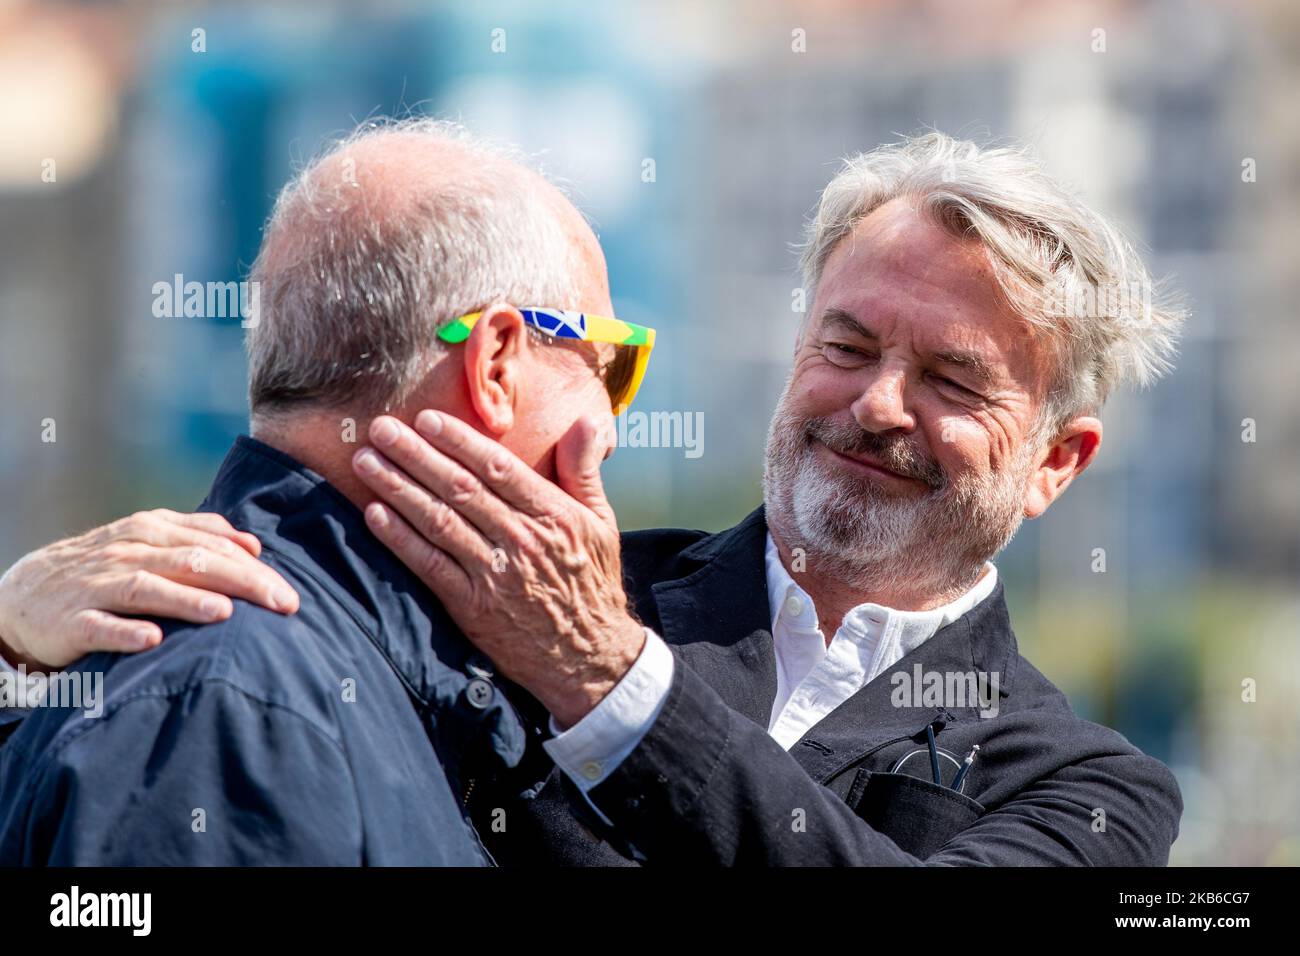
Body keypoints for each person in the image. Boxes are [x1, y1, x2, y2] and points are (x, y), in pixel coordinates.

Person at [2, 131, 1184, 866]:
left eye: (949, 378)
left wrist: (613, 684)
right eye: (845, 342)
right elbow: (168, 743)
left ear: (1055, 461)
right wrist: (13, 652)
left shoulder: (1090, 788)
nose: (876, 403)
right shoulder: (499, 575)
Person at [0, 117, 651, 864]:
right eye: (611, 369)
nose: (610, 426)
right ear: (496, 363)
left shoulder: (300, 679)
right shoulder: (235, 709)